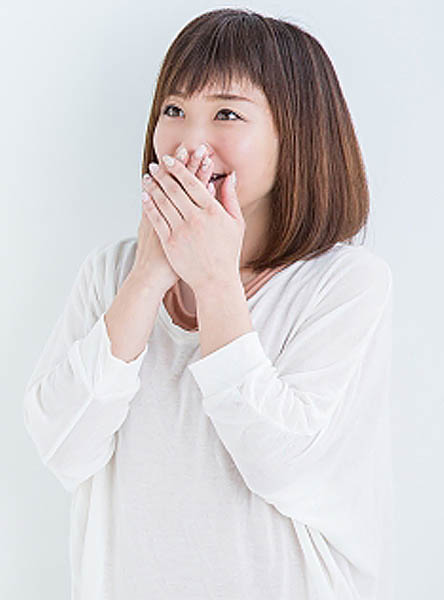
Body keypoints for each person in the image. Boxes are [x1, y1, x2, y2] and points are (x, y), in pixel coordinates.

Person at [23, 8, 395, 600]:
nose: (189, 142)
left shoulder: (345, 284)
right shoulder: (111, 274)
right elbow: (63, 447)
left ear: (296, 136)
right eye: (174, 110)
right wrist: (148, 277)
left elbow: (282, 462)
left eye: (227, 114)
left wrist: (216, 281)